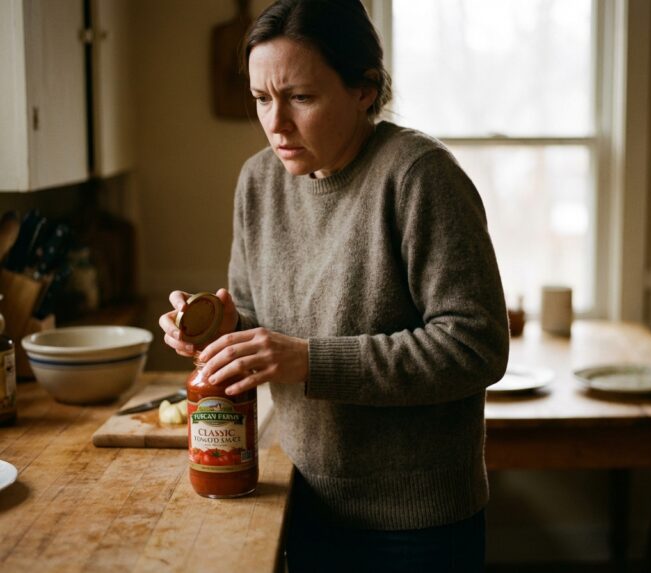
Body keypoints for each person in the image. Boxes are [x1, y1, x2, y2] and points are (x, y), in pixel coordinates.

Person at [159, 0, 509, 571]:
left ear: (364, 90)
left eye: (301, 97)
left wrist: (308, 360)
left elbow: (476, 346)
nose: (276, 123)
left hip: (416, 524)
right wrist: (217, 332)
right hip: (302, 496)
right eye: (261, 99)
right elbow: (255, 324)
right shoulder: (257, 183)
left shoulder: (419, 176)